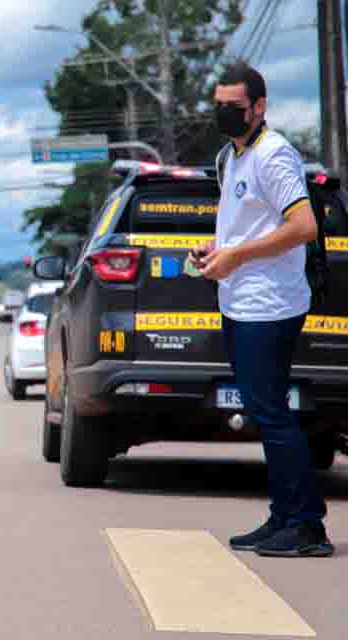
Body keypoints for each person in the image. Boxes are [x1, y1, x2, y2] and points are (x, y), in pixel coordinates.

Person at [189, 63, 333, 557]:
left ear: (259, 106)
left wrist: (237, 257)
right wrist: (216, 251)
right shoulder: (231, 156)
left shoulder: (273, 154)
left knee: (271, 411)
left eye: (233, 106)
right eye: (218, 106)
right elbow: (247, 227)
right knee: (263, 409)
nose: (224, 114)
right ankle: (283, 516)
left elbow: (304, 226)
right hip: (240, 301)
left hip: (271, 304)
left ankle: (308, 525)